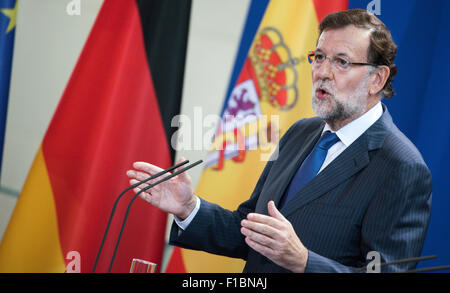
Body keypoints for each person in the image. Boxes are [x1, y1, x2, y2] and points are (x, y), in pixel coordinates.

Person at [126, 9, 432, 273]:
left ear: (377, 79)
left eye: (341, 62)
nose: (322, 73)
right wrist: (189, 208)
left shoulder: (401, 166)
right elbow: (249, 228)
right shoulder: (301, 133)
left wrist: (304, 262)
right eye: (319, 57)